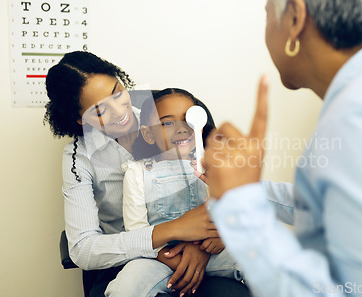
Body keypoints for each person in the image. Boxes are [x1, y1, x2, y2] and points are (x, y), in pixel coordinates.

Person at [201, 0, 362, 296]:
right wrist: (243, 189)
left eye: (267, 15)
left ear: (294, 18)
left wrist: (242, 211)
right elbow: (341, 210)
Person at [44, 51, 251, 297]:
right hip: (130, 260)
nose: (120, 112)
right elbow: (82, 249)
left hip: (205, 246)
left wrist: (202, 243)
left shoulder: (170, 112)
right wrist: (170, 237)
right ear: (80, 119)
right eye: (100, 111)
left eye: (117, 93)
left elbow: (223, 183)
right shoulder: (79, 158)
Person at [105, 89, 243, 296]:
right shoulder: (136, 173)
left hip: (212, 250)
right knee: (123, 289)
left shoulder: (214, 165)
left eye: (188, 120)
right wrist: (174, 259)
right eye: (168, 123)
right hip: (158, 258)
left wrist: (222, 236)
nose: (181, 129)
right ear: (148, 134)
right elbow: (137, 232)